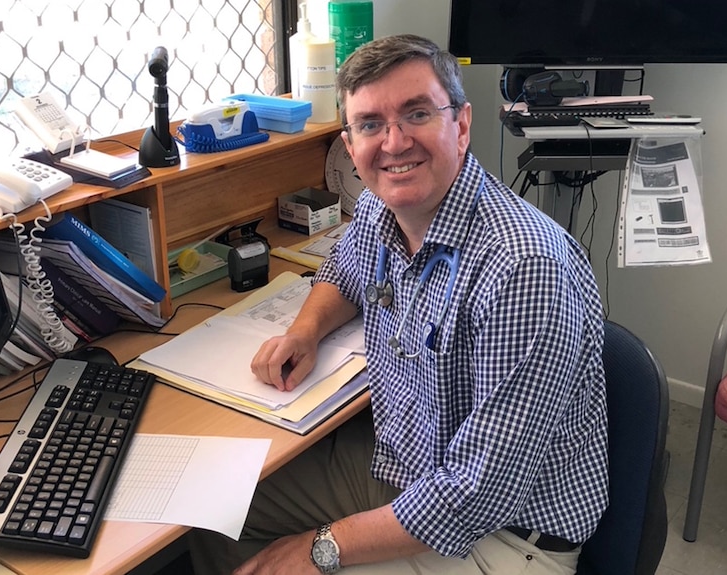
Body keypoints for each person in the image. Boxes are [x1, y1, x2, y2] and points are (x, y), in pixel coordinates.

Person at [189, 33, 609, 575]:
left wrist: (319, 548)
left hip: (502, 535)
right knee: (215, 508)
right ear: (349, 143)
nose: (393, 142)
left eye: (416, 114)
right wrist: (306, 330)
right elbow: (346, 269)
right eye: (369, 125)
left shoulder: (523, 267)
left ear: (460, 124)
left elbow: (477, 493)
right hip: (412, 464)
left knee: (283, 555)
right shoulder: (382, 208)